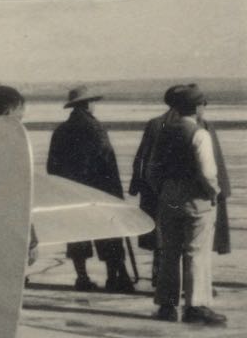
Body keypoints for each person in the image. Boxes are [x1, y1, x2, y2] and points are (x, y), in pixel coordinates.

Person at [47, 85, 133, 292]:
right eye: (93, 101)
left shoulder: (61, 131)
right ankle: (113, 278)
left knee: (77, 236)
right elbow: (108, 163)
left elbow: (52, 166)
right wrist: (116, 196)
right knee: (109, 235)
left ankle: (82, 277)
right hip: (98, 191)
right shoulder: (95, 129)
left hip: (70, 192)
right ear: (87, 104)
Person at [151, 85, 225, 325]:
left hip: (168, 197)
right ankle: (195, 306)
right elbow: (207, 172)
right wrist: (214, 192)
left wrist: (163, 191)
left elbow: (152, 169)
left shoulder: (164, 131)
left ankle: (166, 305)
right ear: (197, 107)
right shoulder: (199, 134)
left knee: (169, 252)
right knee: (196, 252)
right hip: (195, 199)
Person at [130, 85, 187, 285]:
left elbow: (141, 157)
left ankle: (159, 274)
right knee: (178, 234)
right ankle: (172, 279)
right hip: (177, 190)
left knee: (158, 235)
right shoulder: (189, 125)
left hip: (153, 188)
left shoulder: (155, 123)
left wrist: (136, 184)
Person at [0, 84, 37, 265]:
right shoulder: (10, 144)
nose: (22, 117)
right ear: (10, 109)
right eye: (20, 111)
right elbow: (19, 193)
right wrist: (32, 241)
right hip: (7, 231)